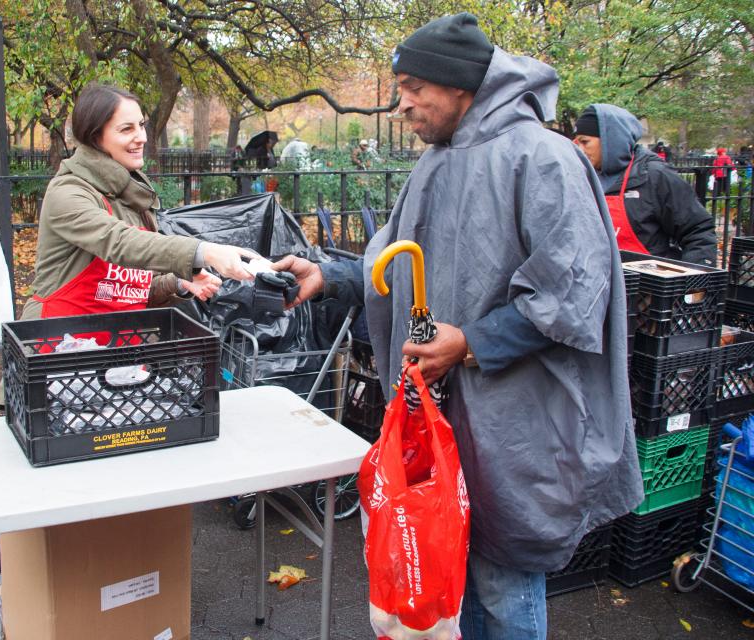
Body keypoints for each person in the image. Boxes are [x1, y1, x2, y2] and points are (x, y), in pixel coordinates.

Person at [273, 13, 642, 640]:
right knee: (451, 565)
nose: (403, 105)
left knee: (502, 575)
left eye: (415, 87)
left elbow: (571, 294)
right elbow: (393, 260)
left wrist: (471, 343)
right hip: (447, 417)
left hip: (517, 419)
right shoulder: (437, 162)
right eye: (400, 89)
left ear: (462, 84)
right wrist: (330, 277)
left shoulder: (543, 158)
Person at [0, 83, 257, 640]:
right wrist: (204, 251)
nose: (140, 138)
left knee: (106, 487)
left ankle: (99, 602)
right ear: (94, 135)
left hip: (111, 359)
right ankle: (11, 597)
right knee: (32, 493)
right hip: (55, 357)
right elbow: (115, 245)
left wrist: (180, 283)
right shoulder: (70, 193)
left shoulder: (128, 190)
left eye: (142, 126)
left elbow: (121, 282)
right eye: (126, 128)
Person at [573, 105, 716, 266]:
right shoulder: (583, 177)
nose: (580, 150)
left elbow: (697, 231)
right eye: (577, 143)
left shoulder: (654, 175)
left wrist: (695, 281)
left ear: (610, 140)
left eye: (585, 142)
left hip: (646, 286)